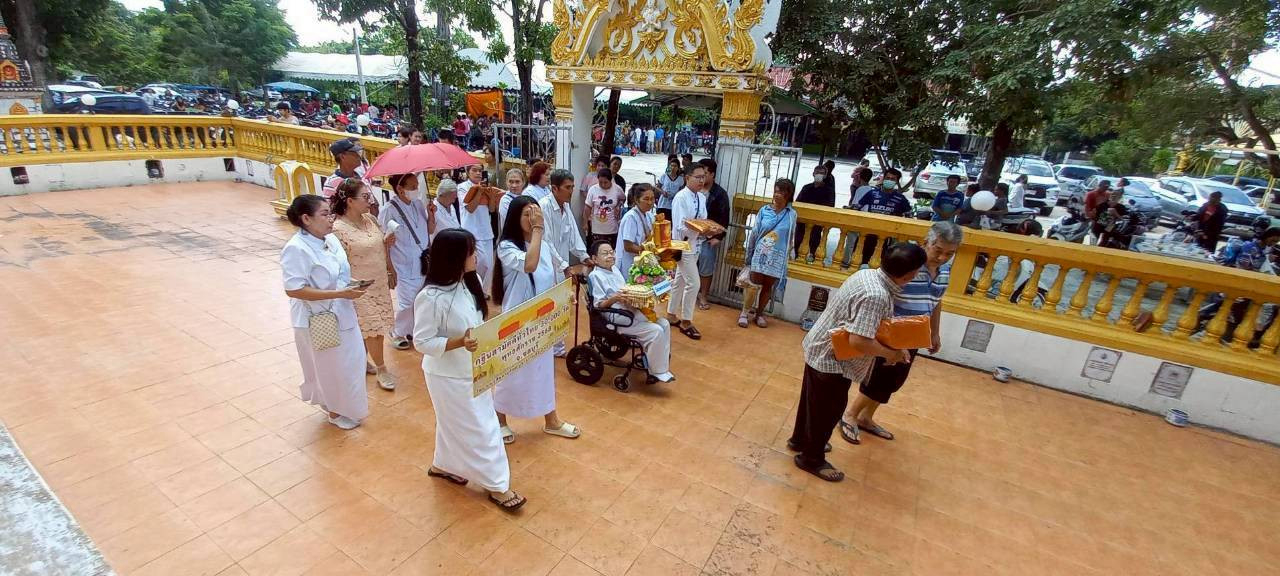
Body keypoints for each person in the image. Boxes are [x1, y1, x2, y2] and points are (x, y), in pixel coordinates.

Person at [788, 243, 926, 481]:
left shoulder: (868, 274)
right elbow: (859, 341)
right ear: (909, 274)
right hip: (831, 359)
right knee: (829, 410)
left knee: (812, 401)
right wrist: (890, 354)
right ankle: (811, 458)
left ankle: (801, 440)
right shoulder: (877, 295)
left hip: (819, 346)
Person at [414, 228, 526, 512]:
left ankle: (443, 466)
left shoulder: (470, 281)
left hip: (473, 369)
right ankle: (497, 485)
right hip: (447, 375)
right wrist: (459, 342)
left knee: (455, 423)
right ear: (454, 257)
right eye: (471, 251)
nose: (477, 256)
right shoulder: (430, 297)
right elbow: (422, 341)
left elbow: (477, 323)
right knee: (482, 427)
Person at [839, 222, 962, 445]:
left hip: (915, 333)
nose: (943, 258)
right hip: (892, 334)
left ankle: (867, 417)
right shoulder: (909, 265)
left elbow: (936, 301)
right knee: (879, 378)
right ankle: (850, 415)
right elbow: (885, 295)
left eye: (949, 254)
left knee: (895, 380)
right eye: (938, 250)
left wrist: (934, 332)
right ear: (927, 242)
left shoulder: (944, 270)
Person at [493, 196, 581, 443]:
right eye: (527, 215)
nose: (533, 220)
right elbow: (530, 265)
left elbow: (553, 272)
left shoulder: (542, 242)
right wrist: (539, 230)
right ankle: (499, 420)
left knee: (543, 370)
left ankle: (551, 420)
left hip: (542, 319)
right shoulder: (508, 246)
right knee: (511, 372)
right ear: (514, 218)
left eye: (536, 214)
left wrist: (564, 297)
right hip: (517, 321)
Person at [280, 195, 370, 430]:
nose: (331, 219)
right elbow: (294, 289)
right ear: (306, 219)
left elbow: (338, 273)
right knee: (330, 367)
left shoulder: (331, 240)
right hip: (317, 318)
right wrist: (338, 294)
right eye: (324, 214)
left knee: (353, 361)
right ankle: (334, 410)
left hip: (342, 311)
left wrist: (351, 284)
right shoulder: (296, 249)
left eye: (331, 213)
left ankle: (348, 405)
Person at [330, 179, 399, 390]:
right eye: (366, 197)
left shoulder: (370, 219)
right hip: (359, 286)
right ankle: (381, 368)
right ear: (350, 201)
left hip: (378, 281)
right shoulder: (338, 230)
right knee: (373, 327)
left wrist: (389, 267)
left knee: (368, 328)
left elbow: (380, 246)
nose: (370, 201)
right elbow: (338, 263)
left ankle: (363, 360)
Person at [588, 241, 676, 382]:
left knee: (664, 324)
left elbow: (627, 288)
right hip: (617, 316)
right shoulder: (595, 276)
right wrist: (615, 297)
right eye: (605, 253)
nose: (610, 256)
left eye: (612, 252)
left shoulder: (615, 269)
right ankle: (658, 372)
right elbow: (599, 304)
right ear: (594, 259)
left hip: (629, 309)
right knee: (656, 331)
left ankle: (655, 362)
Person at [379, 172, 432, 352]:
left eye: (417, 185)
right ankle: (398, 332)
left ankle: (413, 329)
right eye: (412, 187)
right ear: (400, 189)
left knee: (421, 299)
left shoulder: (418, 204)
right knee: (406, 302)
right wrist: (390, 268)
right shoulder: (389, 209)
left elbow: (429, 229)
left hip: (423, 260)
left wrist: (432, 214)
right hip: (402, 262)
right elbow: (383, 240)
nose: (416, 190)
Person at [739, 179, 797, 328]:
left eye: (782, 192)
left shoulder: (791, 215)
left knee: (767, 287)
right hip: (760, 254)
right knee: (753, 284)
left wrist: (790, 255)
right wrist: (749, 254)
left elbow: (791, 236)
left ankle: (759, 314)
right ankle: (745, 312)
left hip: (777, 256)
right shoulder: (764, 211)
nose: (777, 195)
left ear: (788, 195)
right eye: (776, 191)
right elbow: (754, 233)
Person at [668, 162, 710, 340]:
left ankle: (670, 314)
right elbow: (679, 226)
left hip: (695, 244)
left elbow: (703, 219)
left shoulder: (701, 197)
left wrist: (707, 228)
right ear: (687, 178)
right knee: (694, 283)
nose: (702, 180)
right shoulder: (680, 197)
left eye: (703, 177)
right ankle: (686, 321)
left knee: (680, 281)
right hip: (682, 245)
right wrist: (699, 228)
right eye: (698, 177)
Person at [855, 167, 912, 266]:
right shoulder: (872, 193)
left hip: (886, 238)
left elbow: (909, 216)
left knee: (879, 264)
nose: (889, 180)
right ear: (883, 178)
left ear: (897, 182)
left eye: (892, 179)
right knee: (860, 260)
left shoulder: (900, 198)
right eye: (887, 178)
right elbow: (857, 208)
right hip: (868, 233)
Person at [457, 164, 496, 297]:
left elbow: (491, 209)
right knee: (476, 264)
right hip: (471, 231)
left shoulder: (486, 187)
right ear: (468, 172)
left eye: (480, 171)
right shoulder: (462, 187)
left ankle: (483, 291)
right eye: (474, 170)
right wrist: (479, 191)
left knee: (489, 265)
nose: (478, 173)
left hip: (486, 230)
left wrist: (490, 196)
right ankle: (473, 291)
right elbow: (470, 208)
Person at [696, 159, 730, 310]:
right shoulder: (693, 190)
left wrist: (718, 237)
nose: (701, 178)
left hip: (708, 238)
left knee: (706, 268)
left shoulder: (720, 194)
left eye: (704, 174)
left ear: (712, 174)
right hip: (691, 236)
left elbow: (724, 217)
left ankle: (703, 296)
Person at [794, 166, 834, 263]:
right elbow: (798, 202)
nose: (819, 174)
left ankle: (812, 255)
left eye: (822, 173)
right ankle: (797, 255)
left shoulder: (828, 190)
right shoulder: (806, 187)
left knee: (814, 239)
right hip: (803, 221)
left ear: (825, 176)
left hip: (817, 222)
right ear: (813, 174)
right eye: (817, 172)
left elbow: (830, 205)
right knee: (799, 237)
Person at [617, 184, 657, 276]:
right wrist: (647, 251)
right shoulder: (631, 217)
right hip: (629, 263)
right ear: (636, 200)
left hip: (643, 261)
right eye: (646, 199)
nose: (650, 202)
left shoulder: (649, 215)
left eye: (652, 199)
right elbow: (628, 246)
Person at [585, 168, 626, 248]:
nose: (603, 185)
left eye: (605, 182)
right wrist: (585, 222)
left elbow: (623, 198)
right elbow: (587, 207)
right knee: (598, 251)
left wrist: (618, 205)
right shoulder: (593, 190)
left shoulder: (617, 189)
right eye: (600, 182)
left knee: (610, 251)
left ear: (611, 180)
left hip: (612, 228)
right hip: (597, 228)